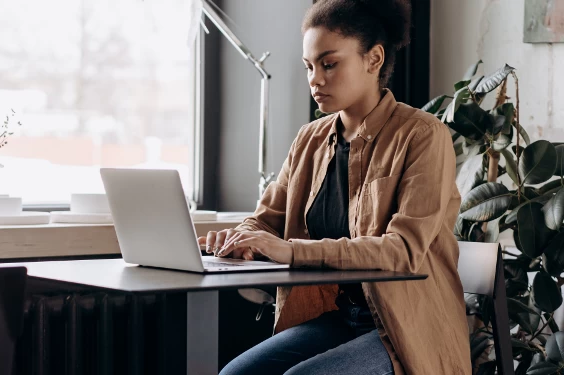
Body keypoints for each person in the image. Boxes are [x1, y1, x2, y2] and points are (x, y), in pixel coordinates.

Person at [197, 0, 471, 373]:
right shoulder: (309, 140)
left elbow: (403, 249)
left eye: (329, 64)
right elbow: (265, 221)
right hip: (342, 318)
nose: (315, 79)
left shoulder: (422, 135)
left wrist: (291, 251)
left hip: (406, 327)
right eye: (309, 67)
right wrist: (236, 240)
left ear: (373, 59)